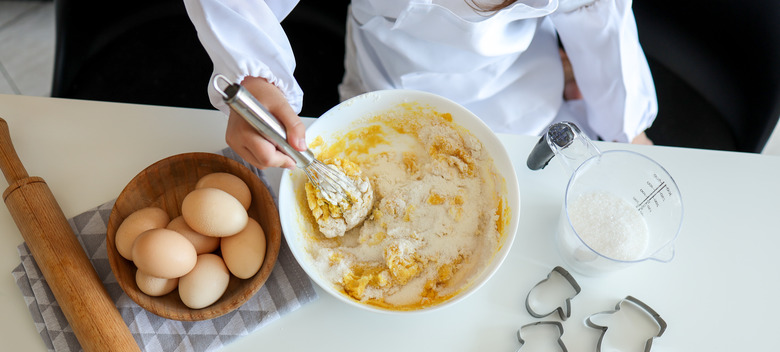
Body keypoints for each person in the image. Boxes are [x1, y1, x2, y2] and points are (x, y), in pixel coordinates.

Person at [183, 0, 657, 170]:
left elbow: (601, 23)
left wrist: (625, 125)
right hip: (387, 84)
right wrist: (254, 74)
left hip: (523, 91)